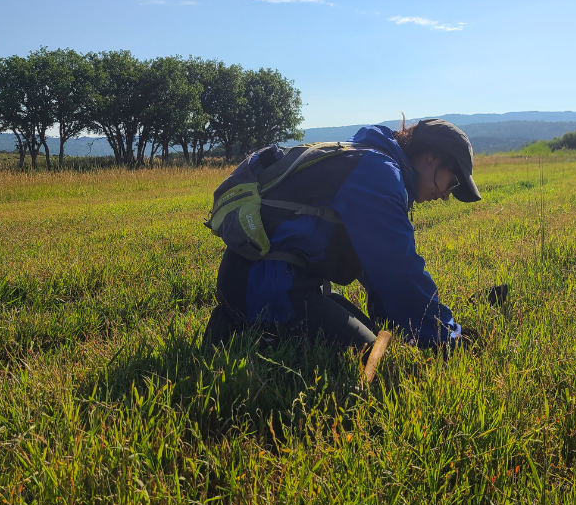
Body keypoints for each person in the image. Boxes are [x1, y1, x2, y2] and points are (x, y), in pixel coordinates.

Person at [204, 117, 481, 351]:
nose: (447, 195)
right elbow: (399, 272)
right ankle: (241, 332)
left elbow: (377, 274)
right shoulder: (380, 175)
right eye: (453, 181)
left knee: (375, 337)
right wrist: (447, 338)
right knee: (367, 352)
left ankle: (240, 320)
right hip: (267, 286)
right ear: (430, 156)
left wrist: (409, 328)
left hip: (268, 280)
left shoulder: (372, 160)